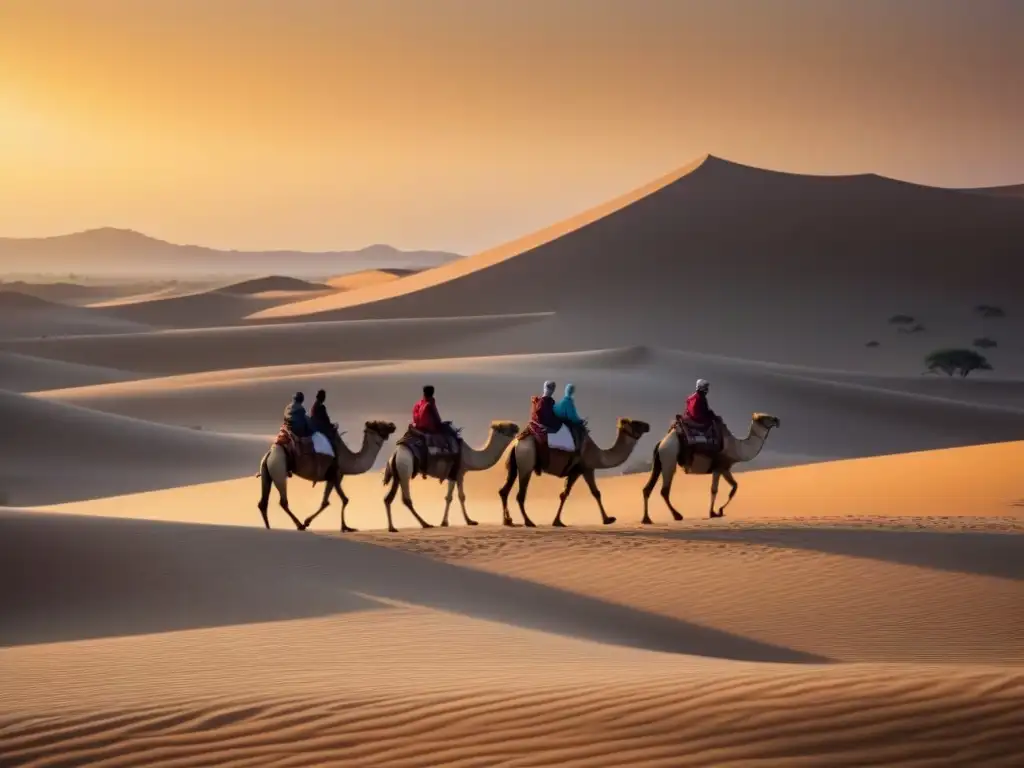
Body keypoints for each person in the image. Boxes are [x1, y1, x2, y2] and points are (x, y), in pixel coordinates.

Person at [683, 379, 722, 450]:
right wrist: (714, 417)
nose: (707, 390)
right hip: (699, 420)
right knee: (713, 425)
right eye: (706, 388)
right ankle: (709, 442)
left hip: (690, 418)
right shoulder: (702, 399)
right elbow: (706, 412)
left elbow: (688, 409)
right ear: (703, 388)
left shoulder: (690, 397)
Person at [551, 382, 585, 451]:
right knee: (579, 430)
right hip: (563, 421)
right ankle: (577, 448)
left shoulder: (562, 402)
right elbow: (572, 416)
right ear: (573, 392)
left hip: (557, 420)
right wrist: (580, 421)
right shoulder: (568, 403)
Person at [308, 389, 338, 457]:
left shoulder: (315, 406)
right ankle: (334, 459)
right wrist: (331, 426)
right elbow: (325, 420)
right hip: (321, 429)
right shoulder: (321, 407)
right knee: (333, 442)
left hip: (316, 428)